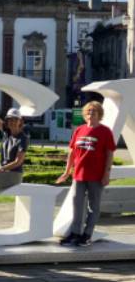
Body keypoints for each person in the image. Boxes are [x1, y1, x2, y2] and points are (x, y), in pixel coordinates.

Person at [56, 101, 115, 247]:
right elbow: (71, 152)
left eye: (94, 111)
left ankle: (87, 235)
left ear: (99, 114)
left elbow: (109, 154)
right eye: (88, 111)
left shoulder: (105, 131)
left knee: (93, 207)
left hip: (96, 175)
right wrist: (67, 171)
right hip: (79, 174)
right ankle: (75, 233)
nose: (90, 113)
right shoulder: (79, 130)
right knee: (77, 204)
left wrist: (106, 174)